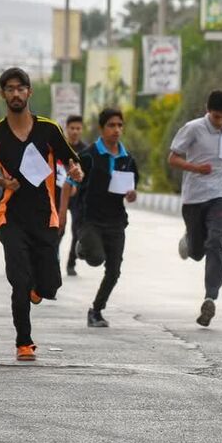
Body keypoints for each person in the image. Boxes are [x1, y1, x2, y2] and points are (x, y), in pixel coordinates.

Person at [0, 67, 82, 362]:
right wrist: (2, 181)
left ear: (29, 92)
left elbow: (70, 158)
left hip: (45, 216)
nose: (16, 93)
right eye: (10, 88)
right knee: (19, 281)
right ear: (3, 94)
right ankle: (24, 341)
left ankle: (37, 288)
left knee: (50, 285)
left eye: (21, 88)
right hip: (11, 217)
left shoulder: (48, 129)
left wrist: (75, 170)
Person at [168, 90, 222, 327]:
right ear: (207, 110)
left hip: (221, 194)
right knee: (197, 252)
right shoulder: (193, 128)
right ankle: (189, 240)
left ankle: (210, 296)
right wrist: (194, 167)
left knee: (216, 241)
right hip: (194, 198)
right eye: (216, 117)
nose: (220, 122)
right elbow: (173, 158)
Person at [59, 108, 138, 328]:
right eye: (112, 125)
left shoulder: (127, 158)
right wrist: (62, 215)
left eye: (120, 125)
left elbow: (131, 189)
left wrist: (132, 194)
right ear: (102, 129)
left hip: (116, 221)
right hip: (90, 219)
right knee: (95, 258)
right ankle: (83, 249)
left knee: (114, 271)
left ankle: (96, 310)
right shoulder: (89, 156)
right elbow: (68, 184)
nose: (116, 130)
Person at [60, 115, 90, 276]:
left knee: (76, 230)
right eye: (72, 128)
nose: (75, 131)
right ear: (67, 129)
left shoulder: (86, 150)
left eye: (78, 128)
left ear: (81, 130)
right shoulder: (60, 148)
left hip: (78, 197)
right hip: (60, 194)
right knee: (59, 228)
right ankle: (52, 259)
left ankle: (71, 263)